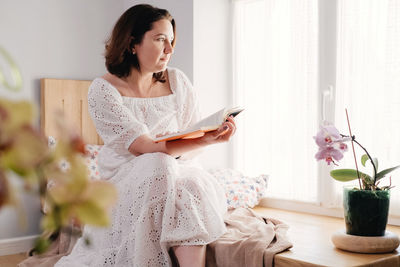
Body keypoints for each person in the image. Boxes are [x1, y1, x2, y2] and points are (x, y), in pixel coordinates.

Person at [55, 4, 236, 267]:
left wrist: (205, 137)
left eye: (171, 41)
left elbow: (193, 149)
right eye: (160, 39)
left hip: (179, 172)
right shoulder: (103, 91)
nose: (170, 50)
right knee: (158, 162)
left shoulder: (179, 82)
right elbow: (145, 148)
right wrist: (205, 138)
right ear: (132, 43)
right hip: (127, 179)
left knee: (191, 185)